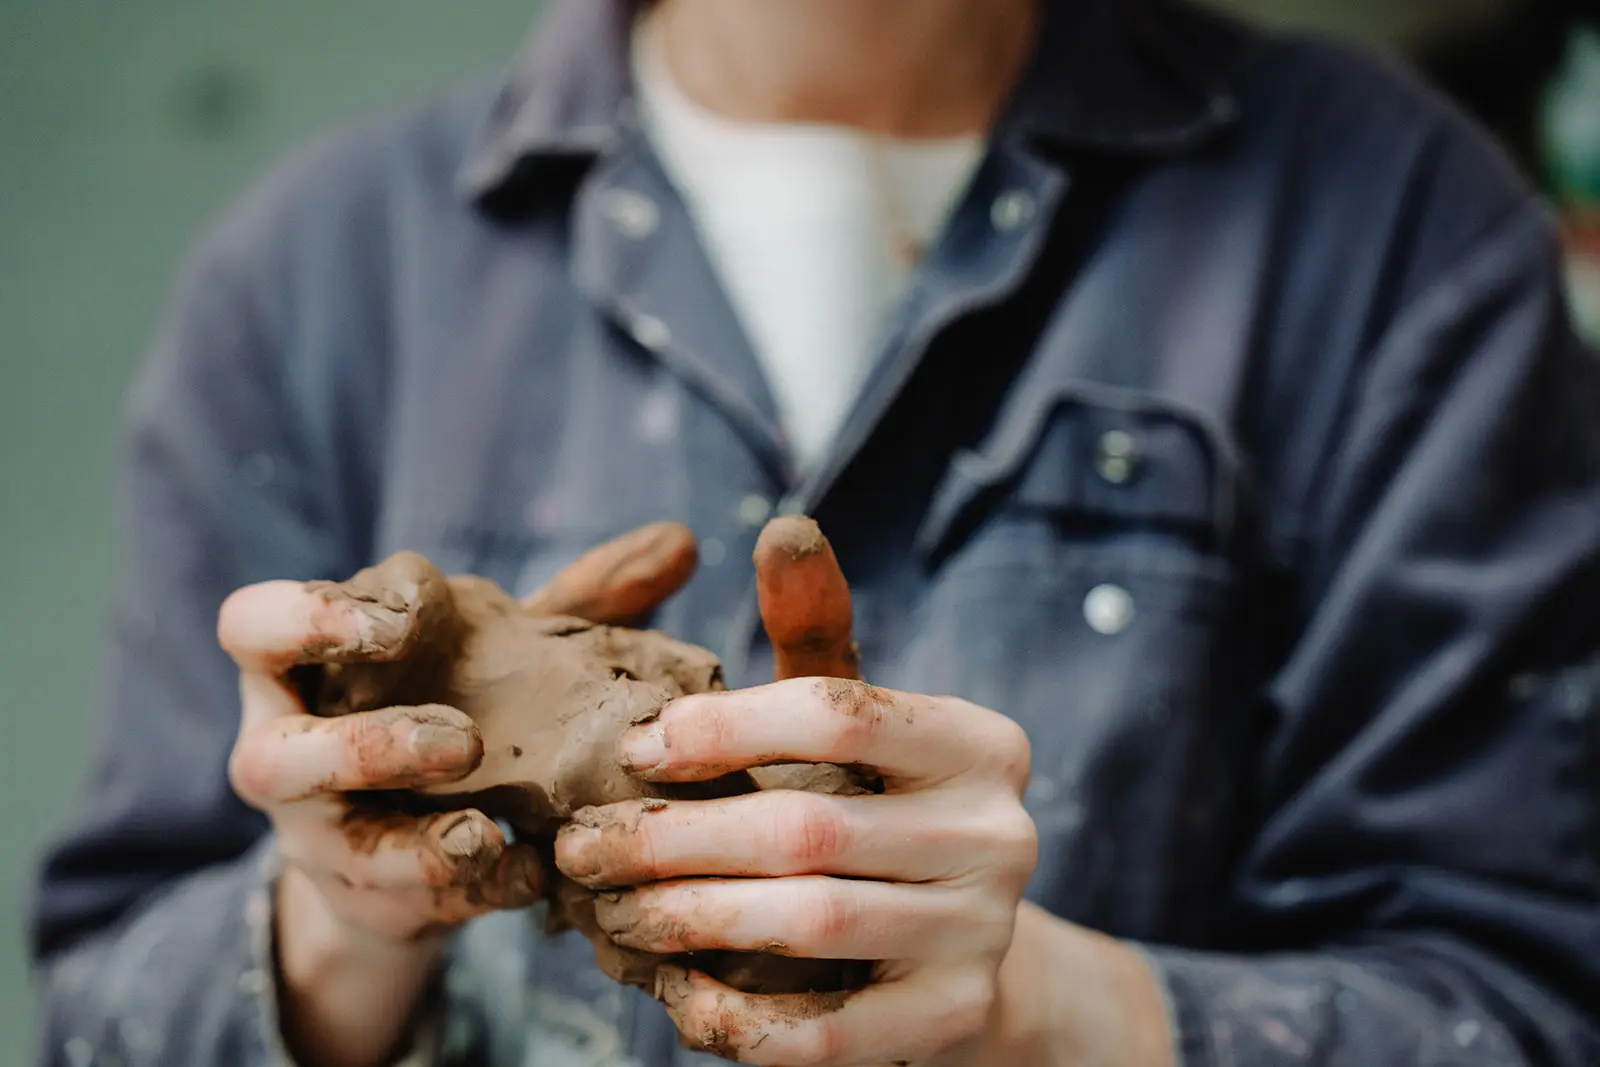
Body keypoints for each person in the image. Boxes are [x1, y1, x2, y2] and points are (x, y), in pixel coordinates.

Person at [28, 0, 1600, 1064]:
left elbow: (1526, 997)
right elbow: (95, 1005)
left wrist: (1053, 1009)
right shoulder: (319, 278)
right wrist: (338, 923)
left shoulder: (1397, 225)